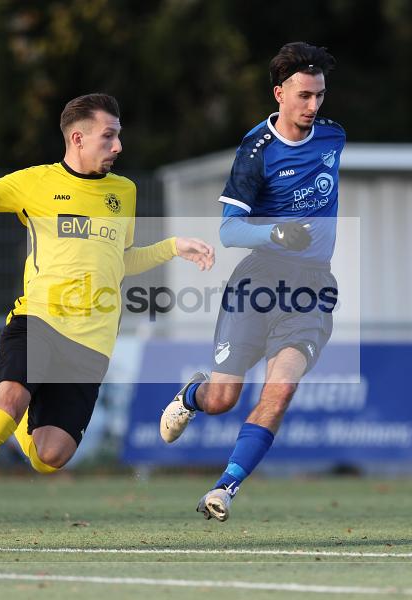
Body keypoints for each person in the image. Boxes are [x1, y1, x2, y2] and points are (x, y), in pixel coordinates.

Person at [0, 93, 214, 551]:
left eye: (119, 135)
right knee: (8, 406)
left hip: (90, 344)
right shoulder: (35, 183)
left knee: (51, 457)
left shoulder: (123, 192)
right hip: (38, 319)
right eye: (109, 136)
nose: (118, 146)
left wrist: (172, 247)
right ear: (78, 137)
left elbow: (118, 261)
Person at [159, 42, 345, 521]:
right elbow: (228, 228)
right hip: (259, 282)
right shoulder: (255, 151)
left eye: (320, 95)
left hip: (311, 289)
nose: (313, 106)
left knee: (280, 389)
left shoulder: (332, 137)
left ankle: (225, 488)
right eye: (304, 95)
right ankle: (191, 395)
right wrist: (276, 229)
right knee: (223, 399)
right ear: (279, 93)